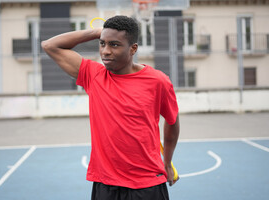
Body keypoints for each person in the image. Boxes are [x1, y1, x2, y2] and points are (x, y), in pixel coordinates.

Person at [41, 15, 180, 200]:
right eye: (102, 44)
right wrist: (98, 31)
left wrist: (168, 162)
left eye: (114, 44)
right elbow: (50, 45)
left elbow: (172, 121)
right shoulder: (93, 75)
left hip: (147, 184)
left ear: (133, 48)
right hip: (105, 185)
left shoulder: (158, 81)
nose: (105, 51)